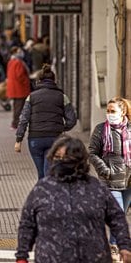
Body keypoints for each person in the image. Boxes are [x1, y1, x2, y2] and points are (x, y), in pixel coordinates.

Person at [16, 135, 131, 263]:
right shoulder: (43, 189)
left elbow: (117, 218)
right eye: (57, 157)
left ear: (79, 160)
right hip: (52, 258)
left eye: (67, 158)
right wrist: (22, 255)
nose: (61, 161)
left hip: (93, 257)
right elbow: (27, 224)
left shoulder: (96, 188)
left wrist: (124, 246)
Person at [14, 64, 77, 179]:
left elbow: (24, 119)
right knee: (49, 172)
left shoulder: (31, 97)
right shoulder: (62, 96)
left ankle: (42, 192)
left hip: (35, 139)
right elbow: (72, 120)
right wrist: (61, 128)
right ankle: (48, 192)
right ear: (54, 80)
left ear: (38, 81)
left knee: (42, 174)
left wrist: (19, 140)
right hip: (55, 138)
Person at [89, 96, 131, 260]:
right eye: (108, 111)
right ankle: (114, 246)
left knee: (122, 215)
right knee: (118, 214)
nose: (109, 114)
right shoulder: (101, 130)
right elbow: (92, 153)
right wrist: (105, 170)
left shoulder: (129, 129)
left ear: (123, 112)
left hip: (128, 181)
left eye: (112, 111)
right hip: (110, 180)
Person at [6, 46, 30, 130]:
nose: (21, 52)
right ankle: (15, 124)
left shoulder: (11, 61)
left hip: (14, 88)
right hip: (19, 88)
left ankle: (16, 123)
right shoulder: (18, 62)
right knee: (19, 107)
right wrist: (27, 81)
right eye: (19, 51)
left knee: (17, 107)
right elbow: (20, 76)